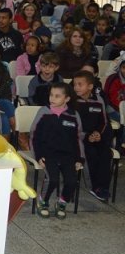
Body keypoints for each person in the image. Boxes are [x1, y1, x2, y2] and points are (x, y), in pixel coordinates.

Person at [30, 83, 83, 220]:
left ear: (67, 99)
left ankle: (62, 203)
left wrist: (79, 159)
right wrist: (39, 156)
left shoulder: (73, 115)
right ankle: (43, 201)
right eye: (51, 95)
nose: (52, 98)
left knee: (71, 181)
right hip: (48, 154)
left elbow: (78, 139)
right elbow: (34, 136)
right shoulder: (44, 111)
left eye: (57, 96)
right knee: (52, 179)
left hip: (67, 155)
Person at [72, 70, 112, 202]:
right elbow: (69, 124)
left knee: (106, 152)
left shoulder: (98, 100)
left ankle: (103, 186)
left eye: (80, 84)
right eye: (75, 84)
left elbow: (104, 122)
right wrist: (85, 136)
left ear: (90, 86)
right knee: (90, 152)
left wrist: (98, 134)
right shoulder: (71, 101)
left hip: (94, 136)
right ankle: (95, 187)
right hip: (77, 139)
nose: (76, 87)